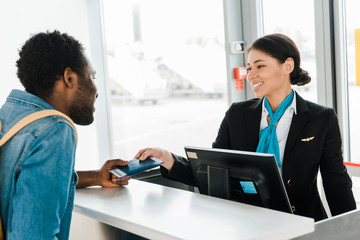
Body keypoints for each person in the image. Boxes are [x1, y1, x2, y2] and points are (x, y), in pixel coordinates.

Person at [135, 33, 356, 222]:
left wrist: (349, 229)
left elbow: (336, 181)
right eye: (249, 68)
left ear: (287, 66)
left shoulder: (321, 118)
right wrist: (169, 158)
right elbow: (210, 170)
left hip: (303, 223)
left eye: (260, 66)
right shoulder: (237, 114)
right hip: (247, 223)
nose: (251, 75)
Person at [0, 30, 130, 240]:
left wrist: (96, 177)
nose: (96, 91)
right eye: (92, 77)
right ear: (70, 78)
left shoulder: (10, 116)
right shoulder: (54, 129)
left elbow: (21, 178)